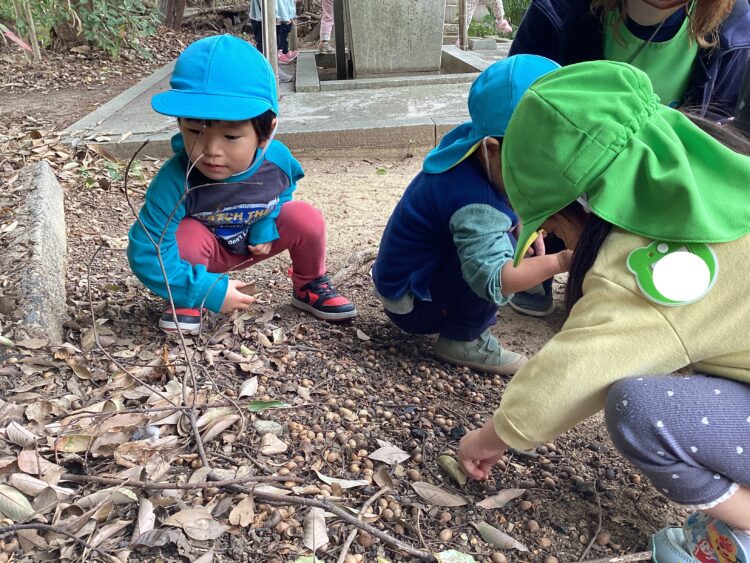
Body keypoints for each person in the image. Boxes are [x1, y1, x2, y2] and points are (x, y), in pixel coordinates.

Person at [458, 60, 750, 561]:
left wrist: (492, 436)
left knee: (642, 410)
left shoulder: (657, 265)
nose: (556, 238)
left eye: (553, 226)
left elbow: (574, 369)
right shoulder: (728, 170)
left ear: (587, 207)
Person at [506, 0, 750, 316]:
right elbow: (519, 108)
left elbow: (716, 131)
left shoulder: (735, 25)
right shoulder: (558, 11)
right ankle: (544, 262)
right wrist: (523, 194)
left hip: (667, 170)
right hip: (573, 164)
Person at [127, 35, 356, 335]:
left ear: (266, 133)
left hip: (251, 242)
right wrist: (207, 290)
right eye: (195, 131)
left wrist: (265, 224)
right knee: (185, 235)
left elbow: (281, 192)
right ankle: (186, 298)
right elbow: (148, 248)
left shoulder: (277, 160)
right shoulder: (176, 179)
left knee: (306, 217)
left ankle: (309, 284)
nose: (211, 151)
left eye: (231, 136)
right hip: (203, 255)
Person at [371, 55, 570, 375]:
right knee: (498, 252)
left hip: (405, 277)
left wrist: (519, 218)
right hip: (415, 303)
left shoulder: (471, 147)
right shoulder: (476, 204)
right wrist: (561, 262)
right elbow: (495, 279)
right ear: (492, 149)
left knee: (501, 236)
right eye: (537, 167)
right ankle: (464, 338)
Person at [248, 0, 298, 81]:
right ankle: (269, 74)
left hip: (278, 15)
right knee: (264, 45)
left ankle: (273, 72)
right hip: (263, 15)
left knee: (275, 44)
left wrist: (289, 15)